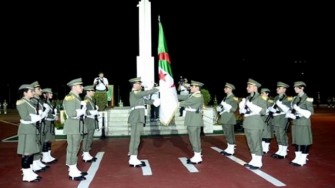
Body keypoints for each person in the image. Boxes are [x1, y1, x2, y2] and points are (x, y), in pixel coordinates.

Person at [128, 77, 159, 167]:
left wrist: (154, 102)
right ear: (134, 85)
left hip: (138, 118)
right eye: (139, 83)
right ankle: (133, 158)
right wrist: (156, 89)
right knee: (135, 138)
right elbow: (145, 93)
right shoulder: (135, 93)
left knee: (136, 138)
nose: (140, 85)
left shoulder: (138, 95)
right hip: (136, 118)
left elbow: (145, 101)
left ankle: (133, 156)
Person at [63, 78, 87, 181]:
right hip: (73, 126)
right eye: (80, 86)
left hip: (77, 125)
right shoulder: (70, 97)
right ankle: (72, 170)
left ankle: (74, 167)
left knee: (76, 147)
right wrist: (81, 111)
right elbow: (71, 113)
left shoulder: (76, 97)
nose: (82, 87)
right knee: (73, 147)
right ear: (74, 87)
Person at [16, 84, 42, 182]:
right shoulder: (21, 102)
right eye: (31, 91)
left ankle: (30, 172)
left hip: (31, 129)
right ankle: (26, 174)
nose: (33, 92)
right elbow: (25, 116)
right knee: (27, 153)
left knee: (30, 152)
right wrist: (37, 117)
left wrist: (39, 116)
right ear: (25, 92)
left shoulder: (29, 102)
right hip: (26, 130)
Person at [239, 78, 267, 170]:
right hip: (248, 123)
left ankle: (259, 162)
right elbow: (245, 111)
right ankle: (254, 160)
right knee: (250, 143)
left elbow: (263, 111)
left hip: (255, 124)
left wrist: (251, 106)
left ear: (255, 87)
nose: (247, 88)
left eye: (249, 86)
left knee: (256, 142)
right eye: (247, 86)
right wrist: (242, 108)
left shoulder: (260, 97)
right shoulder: (248, 98)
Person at [286, 81, 314, 166]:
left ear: (302, 88)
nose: (294, 89)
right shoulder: (295, 98)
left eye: (296, 87)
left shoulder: (307, 99)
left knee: (305, 140)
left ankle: (303, 159)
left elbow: (310, 112)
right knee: (297, 140)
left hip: (303, 122)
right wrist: (291, 114)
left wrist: (299, 110)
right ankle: (297, 158)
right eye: (294, 87)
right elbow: (292, 109)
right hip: (295, 122)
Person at [178, 80, 204, 164]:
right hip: (194, 119)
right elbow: (183, 97)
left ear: (197, 87)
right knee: (196, 138)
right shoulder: (193, 95)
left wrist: (173, 103)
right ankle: (198, 155)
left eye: (192, 86)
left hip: (193, 120)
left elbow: (186, 102)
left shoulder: (197, 96)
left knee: (193, 138)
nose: (190, 87)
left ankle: (197, 156)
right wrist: (172, 95)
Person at [30, 81, 50, 172]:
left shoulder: (39, 100)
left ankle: (38, 160)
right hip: (36, 125)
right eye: (39, 89)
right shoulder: (32, 101)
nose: (41, 90)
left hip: (41, 124)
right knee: (36, 143)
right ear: (33, 91)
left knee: (40, 142)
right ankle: (34, 162)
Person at [270, 82, 291, 159]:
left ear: (284, 89)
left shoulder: (287, 98)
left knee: (282, 134)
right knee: (277, 134)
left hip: (282, 118)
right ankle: (280, 150)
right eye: (277, 88)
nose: (277, 89)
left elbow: (288, 109)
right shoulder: (276, 98)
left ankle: (284, 151)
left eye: (279, 88)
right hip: (276, 118)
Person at [216, 82, 238, 156]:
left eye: (226, 88)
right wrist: (219, 108)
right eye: (224, 88)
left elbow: (234, 109)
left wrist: (225, 105)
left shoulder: (233, 98)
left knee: (229, 134)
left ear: (230, 89)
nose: (224, 89)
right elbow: (222, 107)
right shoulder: (225, 97)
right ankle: (229, 148)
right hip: (224, 117)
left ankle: (231, 150)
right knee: (227, 134)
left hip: (229, 118)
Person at [82, 85, 99, 162]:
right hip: (88, 121)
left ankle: (87, 153)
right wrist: (93, 112)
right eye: (92, 91)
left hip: (91, 120)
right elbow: (84, 111)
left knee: (90, 138)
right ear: (88, 92)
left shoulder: (90, 100)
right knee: (87, 138)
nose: (94, 92)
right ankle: (85, 154)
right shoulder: (86, 100)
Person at [41, 88, 58, 164]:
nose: (52, 94)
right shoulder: (43, 103)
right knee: (46, 140)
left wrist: (54, 115)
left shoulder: (49, 103)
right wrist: (54, 117)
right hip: (46, 123)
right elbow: (45, 115)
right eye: (50, 93)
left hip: (50, 123)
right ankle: (45, 157)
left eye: (51, 93)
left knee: (49, 140)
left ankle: (48, 155)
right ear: (45, 95)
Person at [260, 88, 274, 154]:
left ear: (267, 94)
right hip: (261, 119)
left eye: (263, 93)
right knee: (262, 133)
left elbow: (270, 108)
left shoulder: (270, 101)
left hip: (267, 119)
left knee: (267, 134)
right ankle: (262, 147)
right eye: (261, 93)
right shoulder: (260, 100)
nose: (261, 94)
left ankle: (266, 148)